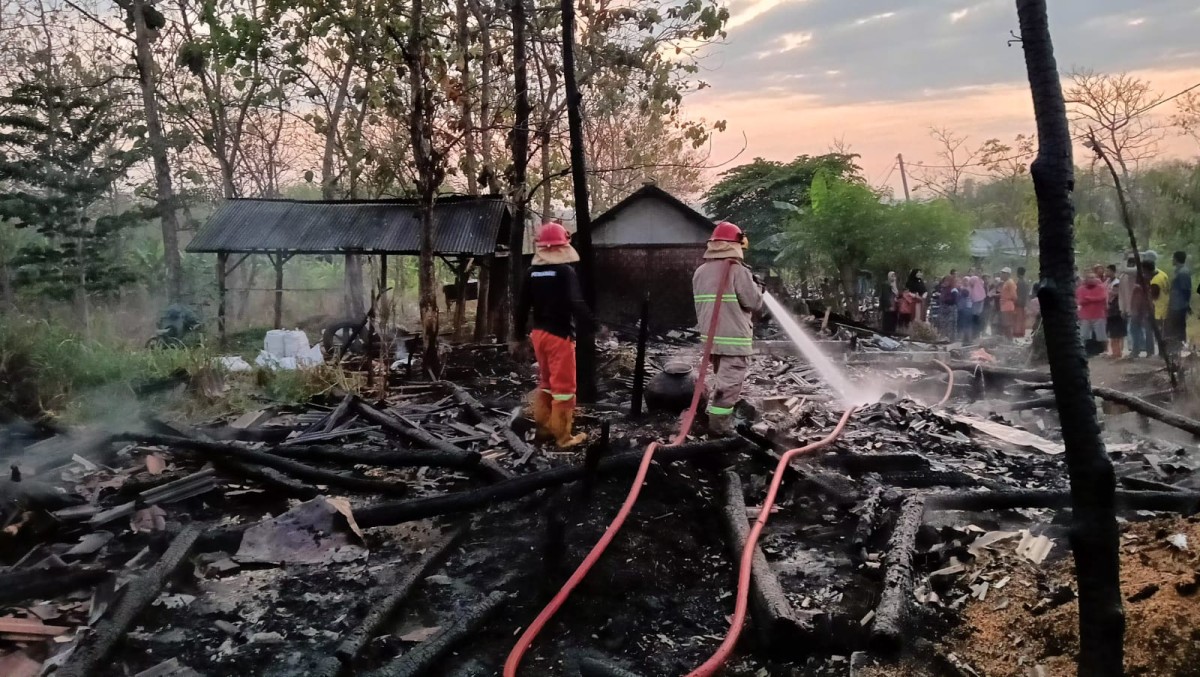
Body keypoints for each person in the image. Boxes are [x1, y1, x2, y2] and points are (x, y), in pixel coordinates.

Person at [513, 222, 593, 448]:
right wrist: (594, 325)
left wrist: (519, 336)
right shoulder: (565, 272)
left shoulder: (531, 273)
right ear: (562, 247)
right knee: (565, 389)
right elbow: (576, 303)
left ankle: (544, 427)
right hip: (560, 337)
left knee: (546, 383)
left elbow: (520, 308)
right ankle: (563, 437)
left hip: (538, 334)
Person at [693, 221, 763, 435]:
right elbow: (753, 302)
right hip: (734, 342)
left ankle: (711, 419)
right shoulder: (736, 270)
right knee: (728, 387)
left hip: (712, 342)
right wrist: (758, 287)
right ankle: (719, 430)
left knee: (721, 383)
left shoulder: (700, 271)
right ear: (735, 245)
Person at [1077, 271, 1109, 356]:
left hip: (1099, 315)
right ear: (1086, 279)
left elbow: (1102, 297)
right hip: (1085, 316)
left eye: (1093, 277)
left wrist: (1089, 298)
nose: (1092, 279)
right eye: (1090, 278)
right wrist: (1094, 299)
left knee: (1102, 335)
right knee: (1084, 335)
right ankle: (1083, 351)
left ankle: (1106, 351)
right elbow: (1081, 301)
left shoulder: (1101, 287)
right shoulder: (1081, 289)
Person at [1168, 250, 1192, 357]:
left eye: (1173, 258)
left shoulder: (1183, 272)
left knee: (1179, 328)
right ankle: (1175, 351)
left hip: (1179, 305)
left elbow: (1186, 290)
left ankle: (1179, 350)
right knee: (1174, 328)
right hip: (1175, 304)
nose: (1172, 260)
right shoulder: (1178, 271)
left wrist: (1187, 305)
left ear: (1176, 259)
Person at [1106, 267, 1126, 358]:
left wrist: (1109, 293)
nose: (1107, 272)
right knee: (1112, 333)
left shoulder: (1117, 283)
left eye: (1109, 271)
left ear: (1113, 272)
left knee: (1117, 333)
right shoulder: (1108, 282)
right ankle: (1114, 352)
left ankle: (1118, 352)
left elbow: (1115, 294)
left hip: (1116, 310)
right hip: (1110, 311)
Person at [937, 270, 959, 339]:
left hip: (951, 309)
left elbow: (955, 300)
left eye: (947, 281)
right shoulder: (943, 289)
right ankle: (943, 337)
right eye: (944, 281)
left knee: (950, 324)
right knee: (943, 324)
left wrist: (946, 300)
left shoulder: (953, 289)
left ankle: (951, 338)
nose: (945, 282)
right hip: (943, 309)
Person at [998, 267, 1018, 339]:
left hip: (1008, 306)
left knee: (1007, 324)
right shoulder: (1006, 282)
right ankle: (1007, 340)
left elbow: (1014, 296)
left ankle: (1009, 340)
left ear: (1007, 274)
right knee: (1005, 324)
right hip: (1004, 306)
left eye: (1003, 273)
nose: (1001, 275)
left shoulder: (1010, 282)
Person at [969, 271, 987, 337]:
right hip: (976, 313)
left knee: (976, 322)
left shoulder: (977, 290)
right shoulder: (975, 289)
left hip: (976, 313)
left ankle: (976, 335)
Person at [1014, 266, 1030, 338]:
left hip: (1018, 302)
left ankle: (1017, 332)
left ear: (1018, 273)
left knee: (1018, 318)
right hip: (1024, 302)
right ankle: (1021, 332)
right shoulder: (1026, 282)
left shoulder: (1018, 282)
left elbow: (1016, 292)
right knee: (1022, 318)